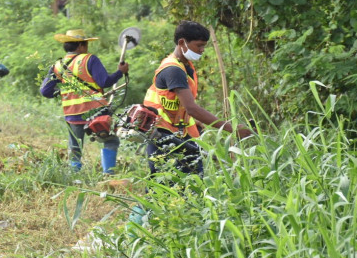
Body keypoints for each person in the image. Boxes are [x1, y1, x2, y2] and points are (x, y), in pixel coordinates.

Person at [144, 20, 253, 176]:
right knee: (164, 182)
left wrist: (197, 123)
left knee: (191, 179)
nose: (202, 50)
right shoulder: (173, 70)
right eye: (199, 45)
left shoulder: (186, 66)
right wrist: (231, 129)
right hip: (163, 133)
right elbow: (191, 108)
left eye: (204, 46)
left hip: (179, 132)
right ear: (182, 42)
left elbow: (182, 106)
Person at [40, 29, 129, 173]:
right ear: (80, 46)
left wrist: (62, 91)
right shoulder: (89, 59)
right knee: (110, 140)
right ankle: (108, 173)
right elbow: (104, 81)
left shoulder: (57, 66)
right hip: (96, 111)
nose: (87, 47)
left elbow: (45, 91)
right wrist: (120, 72)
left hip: (72, 114)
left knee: (75, 147)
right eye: (85, 44)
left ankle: (75, 176)